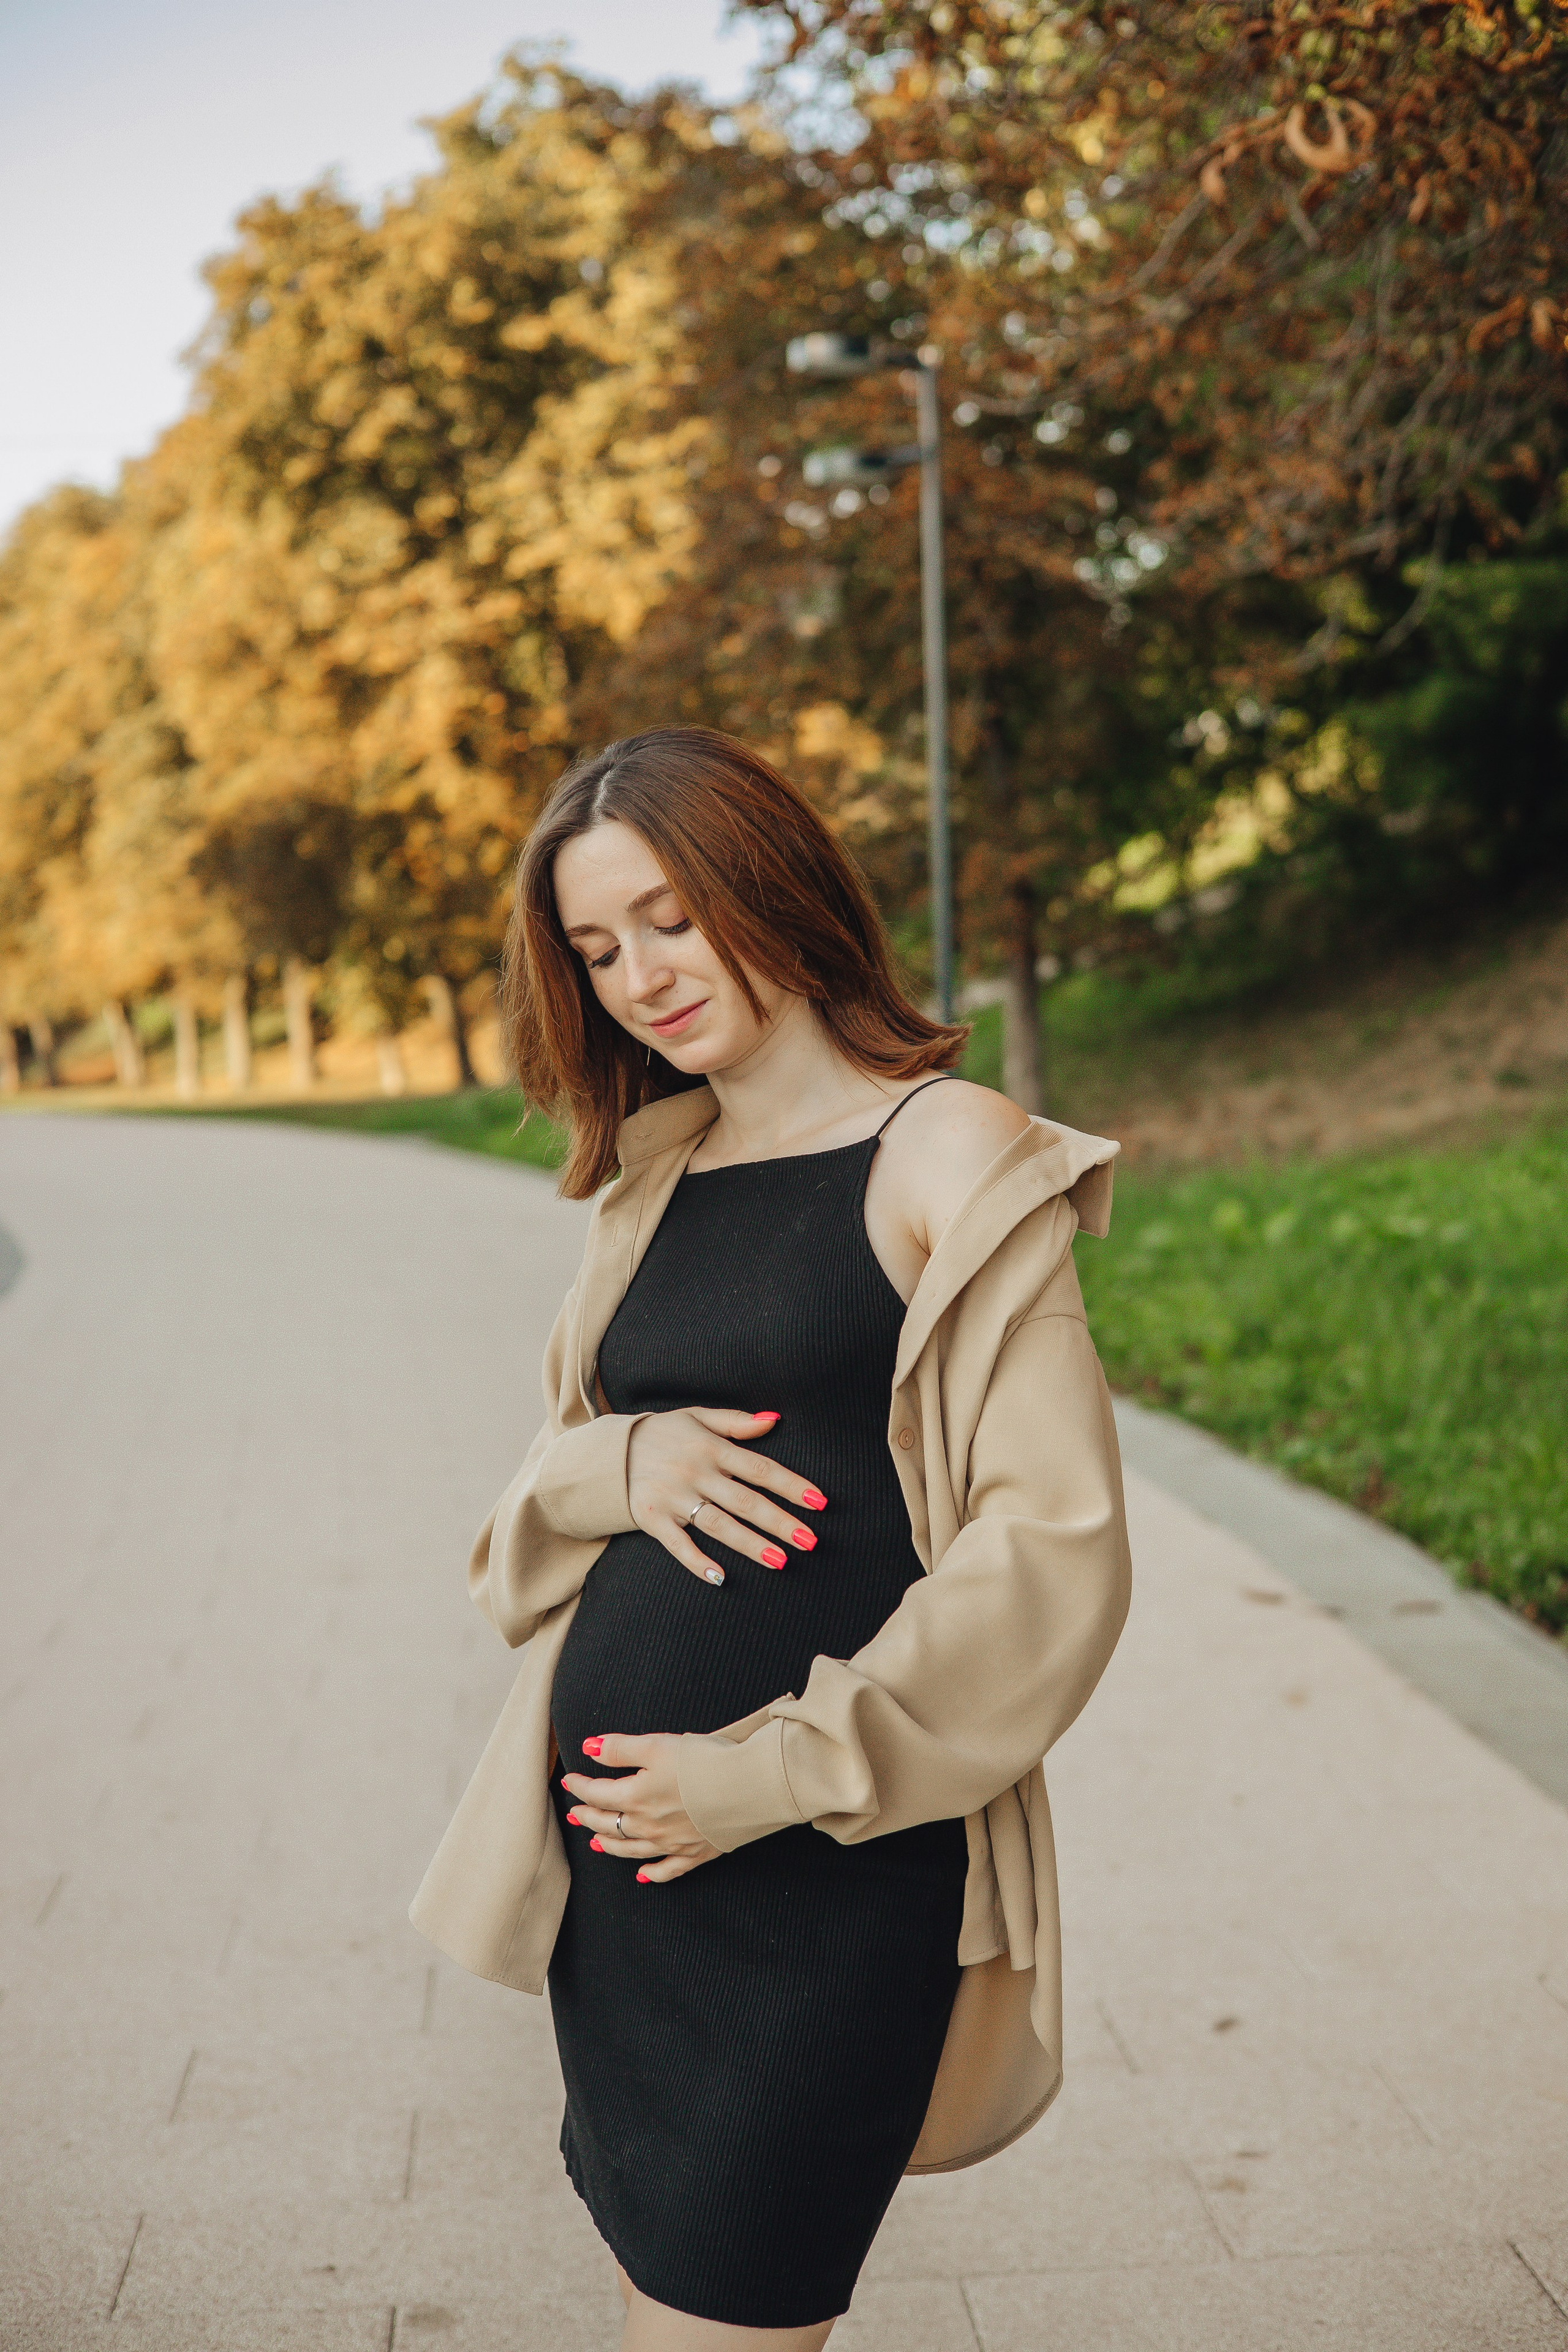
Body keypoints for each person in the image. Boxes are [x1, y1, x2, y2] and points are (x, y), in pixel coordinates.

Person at [410, 726, 1132, 2351]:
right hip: (633, 1894)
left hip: (824, 1863)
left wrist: (775, 1770)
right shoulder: (654, 1177)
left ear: (769, 877)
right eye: (597, 950)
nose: (640, 976)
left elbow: (1053, 1547)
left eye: (668, 916)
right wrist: (626, 1463)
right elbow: (529, 1512)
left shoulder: (945, 1150)